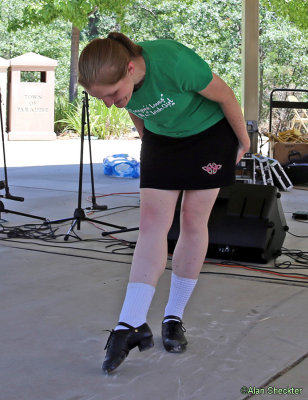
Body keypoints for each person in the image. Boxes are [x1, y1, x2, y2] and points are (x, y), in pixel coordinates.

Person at [78, 32, 250, 375]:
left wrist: (243, 141)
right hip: (162, 140)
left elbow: (226, 95)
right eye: (102, 99)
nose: (110, 103)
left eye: (113, 94)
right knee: (152, 226)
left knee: (191, 221)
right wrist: (151, 146)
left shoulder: (173, 62)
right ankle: (131, 323)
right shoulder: (122, 86)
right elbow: (136, 110)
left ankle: (174, 317)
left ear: (130, 68)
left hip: (209, 135)